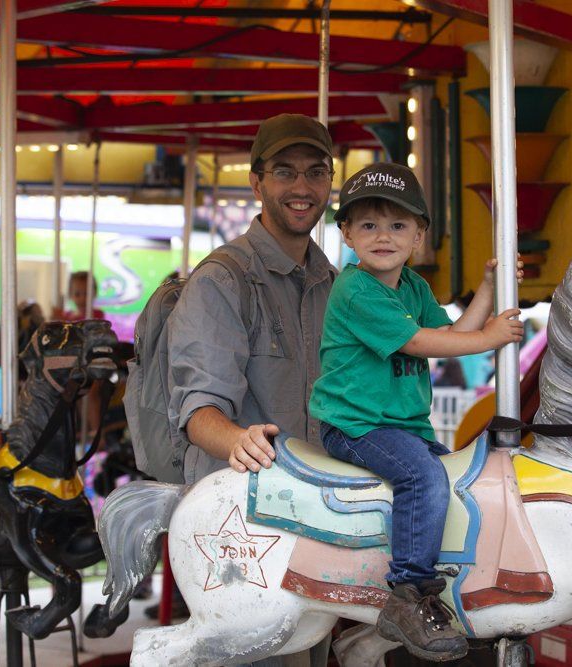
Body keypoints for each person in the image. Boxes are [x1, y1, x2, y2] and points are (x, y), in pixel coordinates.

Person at [309, 163, 524, 662]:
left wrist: (487, 290)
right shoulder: (356, 289)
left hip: (403, 425)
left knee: (454, 479)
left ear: (419, 236)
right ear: (346, 234)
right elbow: (419, 341)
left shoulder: (413, 287)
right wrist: (489, 337)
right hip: (355, 425)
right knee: (424, 478)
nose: (383, 236)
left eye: (398, 225)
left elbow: (451, 332)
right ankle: (407, 594)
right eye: (368, 225)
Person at [166, 113, 337, 667]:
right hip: (243, 524)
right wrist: (238, 439)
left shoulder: (333, 282)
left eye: (316, 172)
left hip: (316, 515)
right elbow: (199, 410)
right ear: (257, 183)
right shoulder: (223, 280)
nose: (303, 188)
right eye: (285, 172)